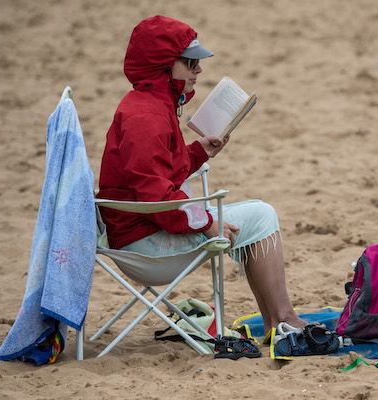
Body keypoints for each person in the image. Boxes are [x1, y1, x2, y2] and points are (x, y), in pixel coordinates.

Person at [97, 15, 310, 336]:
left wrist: (199, 152)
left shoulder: (148, 104)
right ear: (164, 65)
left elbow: (157, 178)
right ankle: (285, 321)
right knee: (262, 215)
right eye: (190, 62)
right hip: (145, 247)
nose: (198, 70)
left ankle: (275, 324)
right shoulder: (146, 117)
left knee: (252, 217)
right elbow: (156, 197)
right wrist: (206, 222)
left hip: (139, 230)